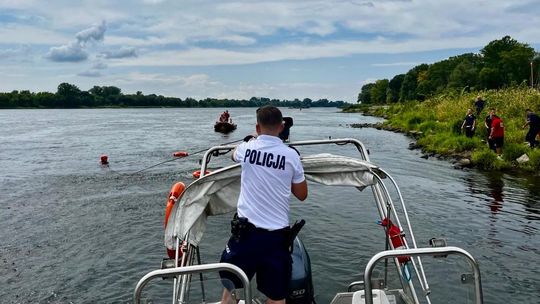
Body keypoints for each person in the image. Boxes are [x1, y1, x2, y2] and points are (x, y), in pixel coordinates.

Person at [219, 106, 308, 304]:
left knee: (231, 289)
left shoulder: (246, 149)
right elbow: (302, 195)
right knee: (277, 297)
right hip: (276, 239)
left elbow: (233, 154)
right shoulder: (291, 155)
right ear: (282, 126)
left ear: (257, 127)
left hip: (244, 236)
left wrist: (251, 139)